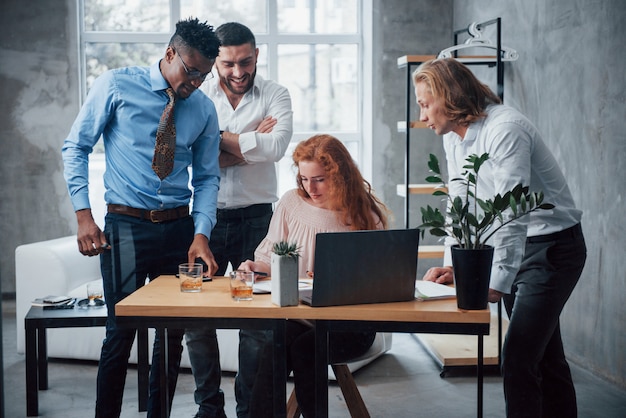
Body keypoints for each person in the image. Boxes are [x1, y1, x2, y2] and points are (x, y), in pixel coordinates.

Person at [61, 18, 222, 418]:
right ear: (170, 53)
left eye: (204, 74)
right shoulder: (115, 85)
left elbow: (206, 178)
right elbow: (75, 146)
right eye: (190, 70)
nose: (196, 82)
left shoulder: (203, 109)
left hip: (179, 230)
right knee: (120, 334)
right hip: (126, 227)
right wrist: (84, 216)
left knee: (171, 337)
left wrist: (201, 233)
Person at [413, 58, 586, 418]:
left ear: (450, 97)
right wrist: (452, 266)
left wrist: (495, 280)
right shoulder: (455, 136)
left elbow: (513, 211)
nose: (423, 115)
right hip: (516, 247)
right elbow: (459, 202)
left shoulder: (505, 128)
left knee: (519, 359)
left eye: (425, 103)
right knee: (546, 358)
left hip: (552, 249)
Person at [183, 22, 293, 418]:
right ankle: (209, 408)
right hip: (203, 221)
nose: (238, 71)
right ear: (216, 61)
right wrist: (249, 143)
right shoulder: (196, 93)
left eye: (245, 61)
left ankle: (251, 410)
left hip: (258, 219)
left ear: (257, 55)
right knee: (196, 318)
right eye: (228, 63)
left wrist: (215, 139)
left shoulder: (276, 94)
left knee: (259, 320)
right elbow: (190, 156)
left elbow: (277, 147)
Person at [237, 134, 389, 418]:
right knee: (274, 344)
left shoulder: (363, 215)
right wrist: (258, 269)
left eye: (319, 179)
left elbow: (375, 282)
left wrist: (336, 279)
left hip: (350, 325)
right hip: (300, 315)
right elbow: (270, 258)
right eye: (304, 179)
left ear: (340, 174)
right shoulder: (291, 204)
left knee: (308, 347)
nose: (311, 187)